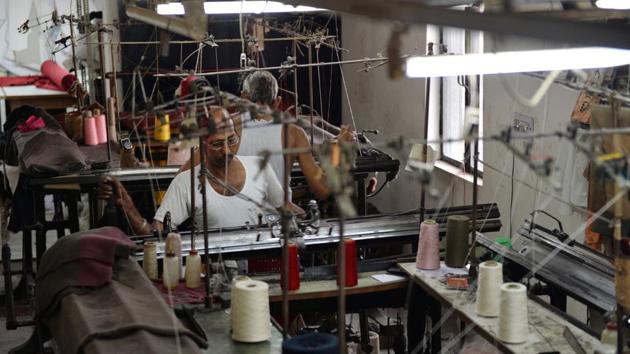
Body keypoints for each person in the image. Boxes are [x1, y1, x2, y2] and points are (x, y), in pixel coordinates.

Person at [98, 108, 293, 234]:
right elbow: (154, 235)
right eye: (217, 144)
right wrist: (128, 207)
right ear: (201, 144)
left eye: (231, 140)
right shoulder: (186, 183)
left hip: (262, 266)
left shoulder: (260, 167)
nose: (226, 150)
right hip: (214, 273)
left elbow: (288, 212)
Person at [181, 70, 355, 201]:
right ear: (278, 101)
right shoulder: (293, 134)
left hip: (236, 224)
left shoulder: (226, 127)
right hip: (280, 228)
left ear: (243, 97)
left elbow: (183, 176)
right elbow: (322, 190)